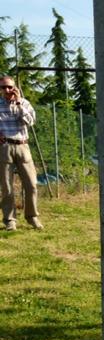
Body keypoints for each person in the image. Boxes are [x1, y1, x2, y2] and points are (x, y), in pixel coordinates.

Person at [0, 75, 43, 231]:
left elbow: (30, 122)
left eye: (10, 87)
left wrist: (18, 103)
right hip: (4, 147)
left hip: (23, 146)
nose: (7, 90)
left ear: (15, 88)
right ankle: (10, 220)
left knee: (31, 184)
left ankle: (32, 217)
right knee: (7, 187)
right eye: (3, 87)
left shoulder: (24, 103)